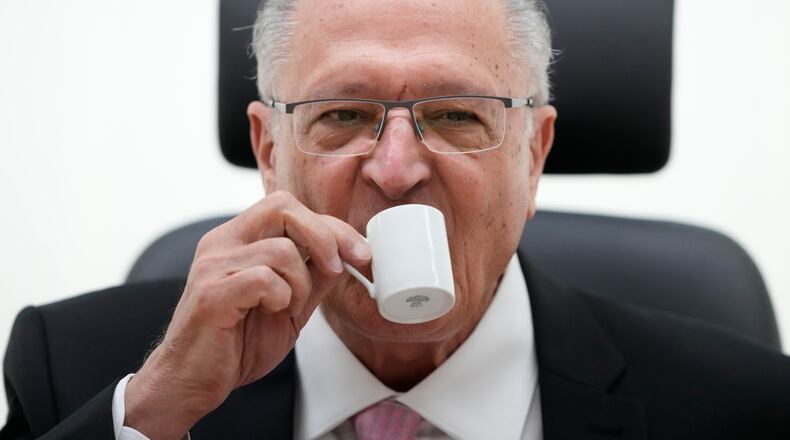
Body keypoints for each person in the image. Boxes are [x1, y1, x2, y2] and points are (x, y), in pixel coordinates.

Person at [3, 0, 790, 439]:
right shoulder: (84, 380)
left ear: (534, 153)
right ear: (269, 149)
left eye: (455, 116)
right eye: (343, 113)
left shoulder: (743, 411)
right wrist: (151, 417)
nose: (396, 169)